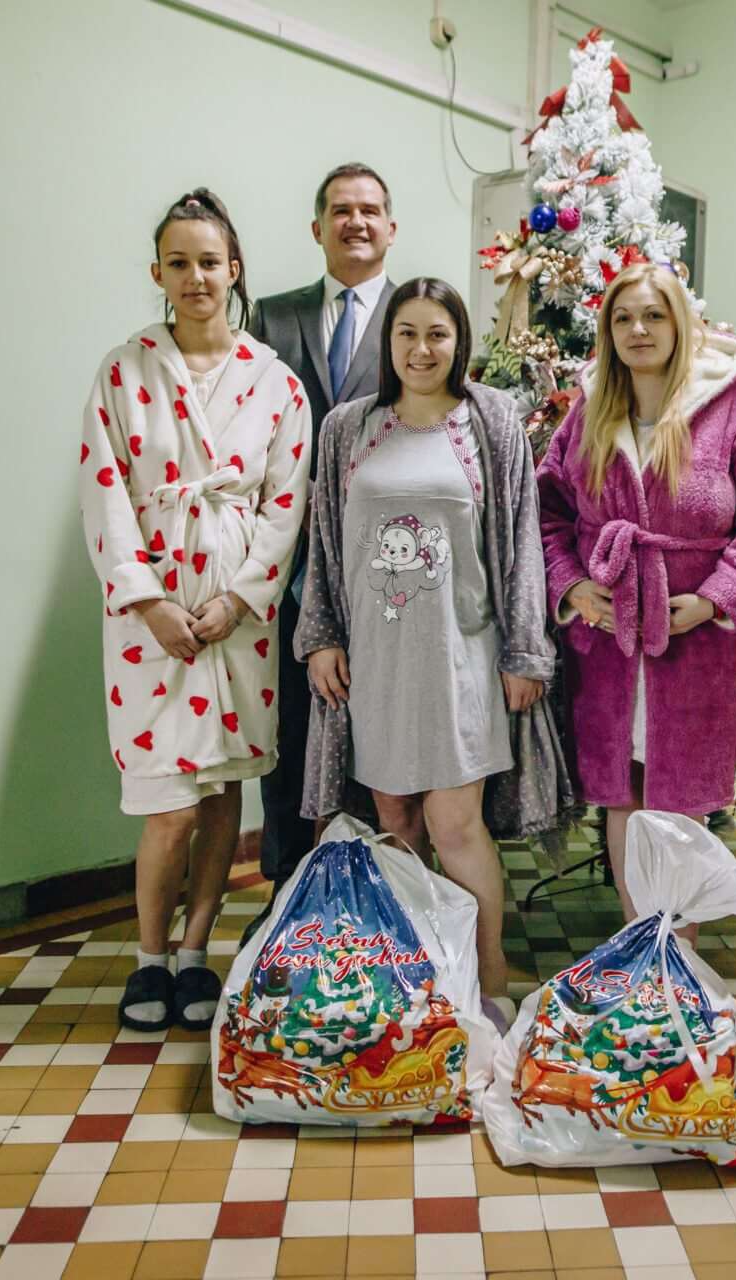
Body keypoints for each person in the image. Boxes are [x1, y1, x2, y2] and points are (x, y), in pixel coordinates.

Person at [294, 278, 568, 1030]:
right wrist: (320, 637)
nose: (421, 349)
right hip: (376, 664)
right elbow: (323, 544)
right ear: (388, 342)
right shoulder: (348, 428)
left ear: (459, 342)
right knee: (396, 823)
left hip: (462, 659)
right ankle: (422, 983)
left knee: (455, 825)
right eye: (406, 333)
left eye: (437, 334)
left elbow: (522, 540)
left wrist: (526, 649)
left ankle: (489, 985)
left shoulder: (490, 420)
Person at [79, 189, 310, 1031]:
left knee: (220, 796)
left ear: (233, 268)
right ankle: (148, 957)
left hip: (236, 617)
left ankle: (195, 952)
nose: (196, 277)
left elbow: (286, 504)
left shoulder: (275, 382)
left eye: (209, 261)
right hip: (154, 618)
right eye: (178, 263)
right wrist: (147, 601)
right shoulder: (123, 370)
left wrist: (242, 598)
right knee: (168, 804)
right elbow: (104, 490)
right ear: (158, 273)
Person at [537, 263, 736, 925]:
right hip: (608, 639)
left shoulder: (729, 406)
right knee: (622, 795)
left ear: (681, 325)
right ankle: (639, 942)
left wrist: (715, 599)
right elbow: (547, 511)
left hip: (695, 643)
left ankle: (680, 953)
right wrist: (573, 587)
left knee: (680, 805)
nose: (638, 330)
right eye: (623, 318)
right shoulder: (591, 410)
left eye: (653, 315)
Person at [250, 162, 397, 889]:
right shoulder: (272, 318)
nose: (355, 222)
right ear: (318, 228)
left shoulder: (416, 318)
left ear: (391, 228)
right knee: (287, 734)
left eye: (369, 210)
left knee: (380, 738)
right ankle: (285, 898)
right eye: (341, 210)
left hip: (385, 567)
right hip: (285, 563)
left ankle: (377, 897)